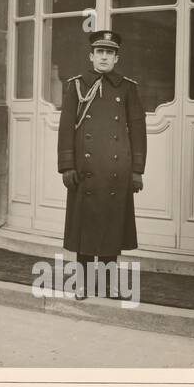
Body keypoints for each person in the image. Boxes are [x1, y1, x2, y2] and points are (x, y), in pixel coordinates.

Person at [56, 30, 146, 299]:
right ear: (91, 56)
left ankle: (109, 286)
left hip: (117, 173)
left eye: (110, 53)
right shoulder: (76, 86)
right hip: (85, 172)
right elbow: (65, 129)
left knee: (111, 228)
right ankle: (82, 284)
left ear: (116, 58)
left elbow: (138, 130)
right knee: (85, 229)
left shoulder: (128, 87)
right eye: (100, 52)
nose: (104, 57)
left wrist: (137, 170)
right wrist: (67, 166)